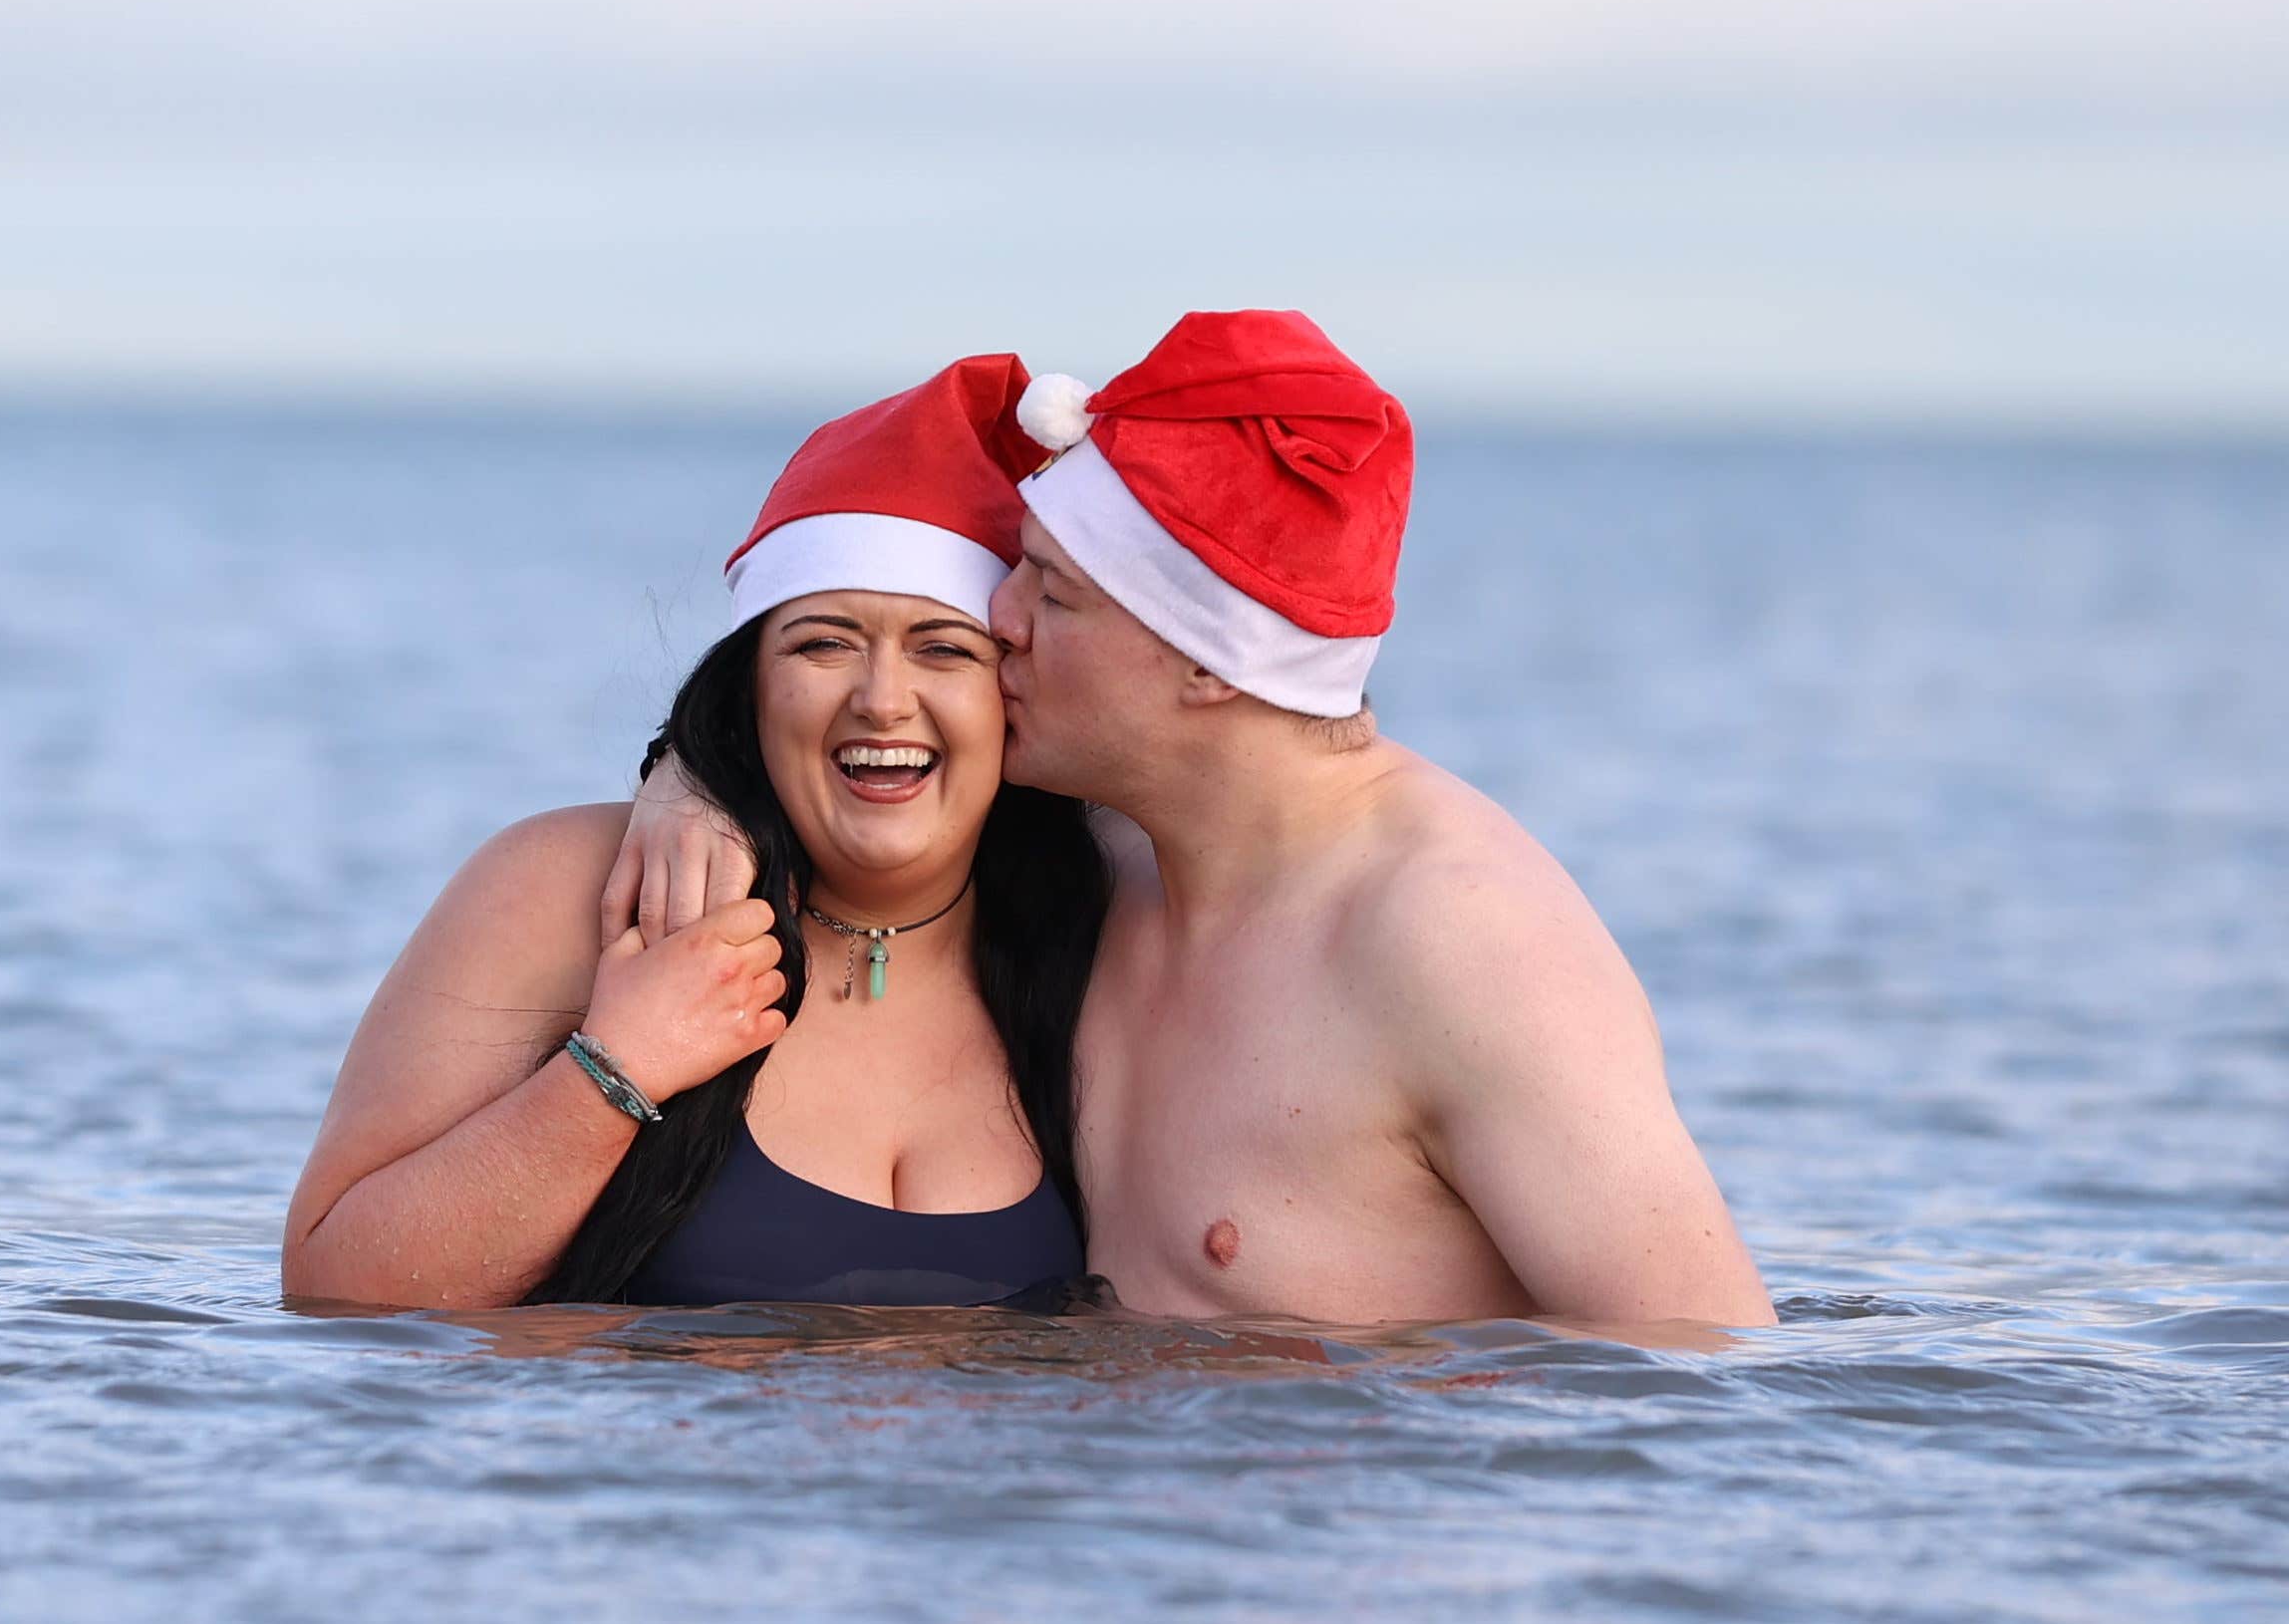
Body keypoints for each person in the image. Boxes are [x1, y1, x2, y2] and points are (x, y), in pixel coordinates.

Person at [612, 311, 1776, 1329]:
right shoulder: (1112, 860)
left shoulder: (1455, 941)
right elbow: (853, 752)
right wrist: (693, 775)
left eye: (1050, 592)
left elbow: (1707, 1369)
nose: (994, 621)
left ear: (1207, 661)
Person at [282, 355, 1109, 1311]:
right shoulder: (570, 888)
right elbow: (336, 1287)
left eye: (944, 649)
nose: (883, 700)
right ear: (750, 685)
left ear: (1014, 689)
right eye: (822, 642)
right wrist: (613, 1073)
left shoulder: (1111, 932)